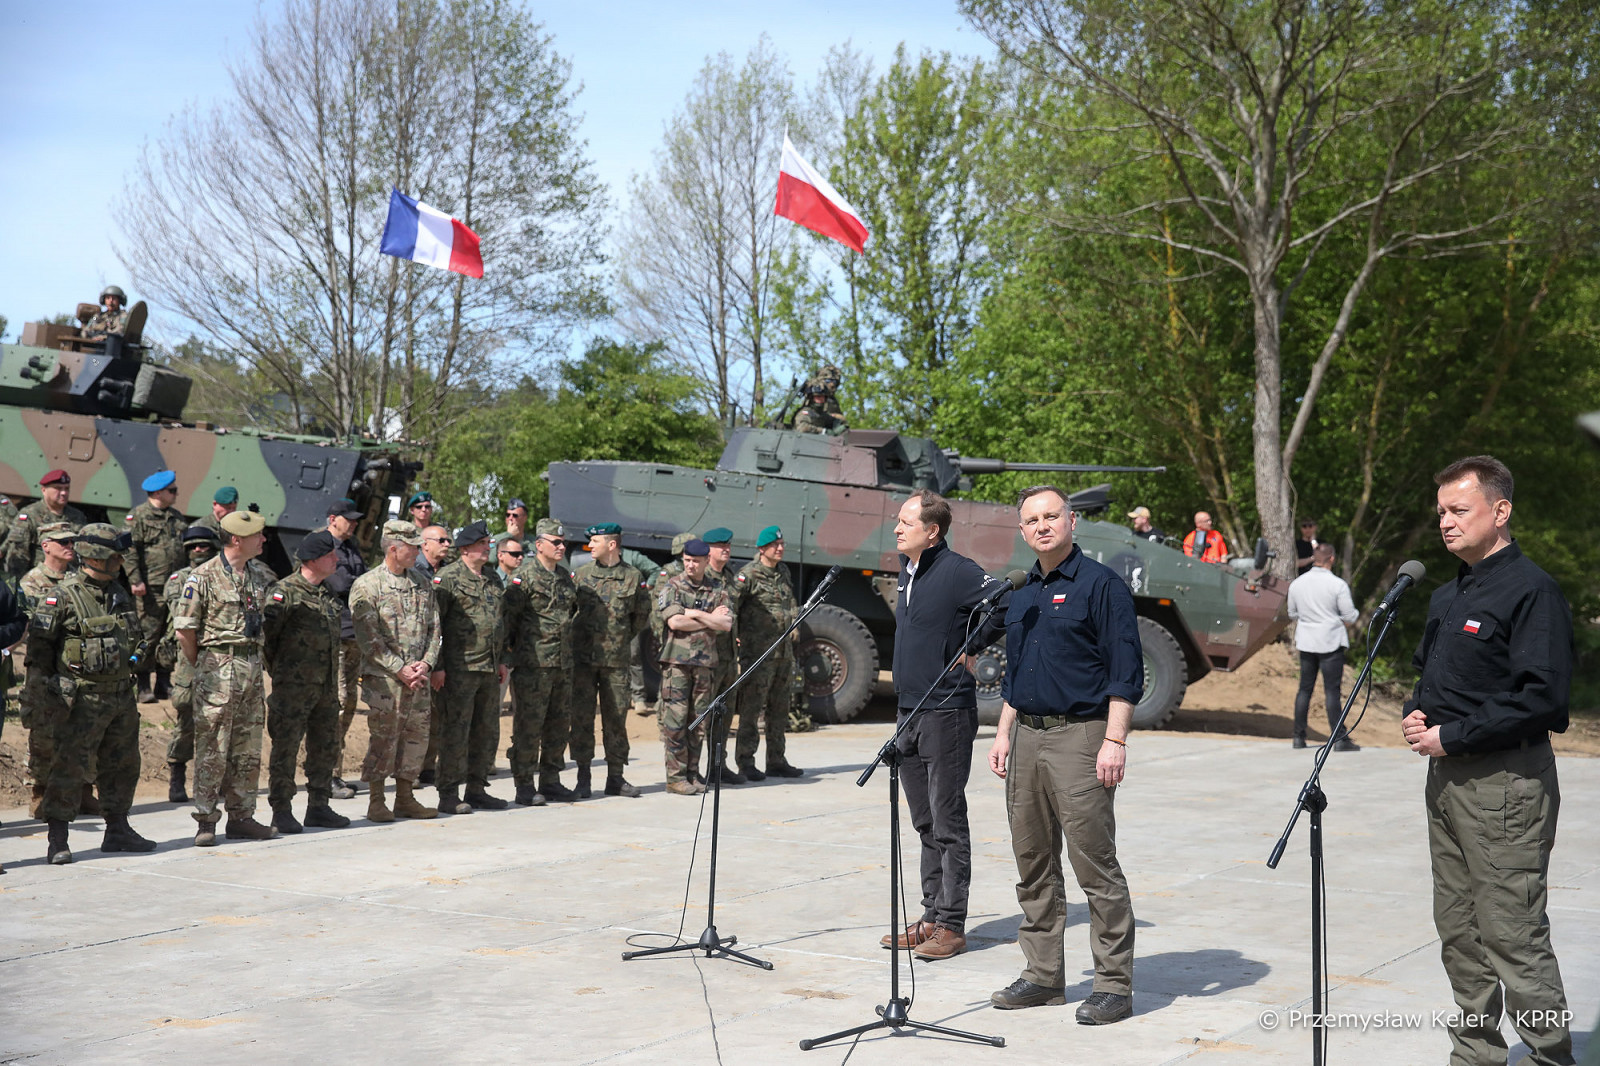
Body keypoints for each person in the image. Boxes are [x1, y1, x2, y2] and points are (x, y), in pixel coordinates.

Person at [1400, 456, 1576, 1066]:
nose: (1446, 523)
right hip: (1447, 781)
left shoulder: (1531, 590)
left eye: (1459, 510)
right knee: (1460, 932)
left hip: (1506, 783)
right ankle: (1475, 1054)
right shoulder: (1448, 594)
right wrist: (1416, 713)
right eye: (1441, 512)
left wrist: (1453, 735)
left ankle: (1551, 1054)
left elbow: (1542, 698)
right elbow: (1433, 681)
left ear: (1500, 511)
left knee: (1512, 934)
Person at [986, 485, 1140, 1021]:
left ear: (1072, 521)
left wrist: (1114, 741)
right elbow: (1017, 673)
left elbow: (1125, 672)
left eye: (1052, 516)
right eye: (1032, 520)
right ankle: (1042, 976)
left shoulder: (1101, 585)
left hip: (1082, 736)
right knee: (1032, 863)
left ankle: (1113, 985)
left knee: (1093, 863)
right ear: (1022, 531)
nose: (1042, 526)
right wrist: (1003, 732)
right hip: (1026, 737)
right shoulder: (1022, 590)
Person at [884, 489, 1003, 961]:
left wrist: (971, 646)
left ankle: (951, 926)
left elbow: (1004, 603)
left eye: (906, 522)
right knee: (924, 822)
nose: (897, 528)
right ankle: (930, 917)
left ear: (932, 532)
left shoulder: (957, 571)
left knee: (947, 821)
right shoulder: (907, 570)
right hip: (909, 711)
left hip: (947, 712)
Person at [33, 524, 156, 865]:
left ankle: (117, 829)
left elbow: (134, 636)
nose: (120, 561)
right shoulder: (62, 597)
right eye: (115, 555)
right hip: (80, 700)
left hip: (120, 696)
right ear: (96, 556)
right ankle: (58, 838)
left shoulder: (118, 593)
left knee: (122, 765)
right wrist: (48, 697)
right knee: (68, 768)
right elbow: (39, 653)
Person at [176, 510, 280, 845]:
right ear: (236, 539)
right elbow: (185, 630)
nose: (263, 539)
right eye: (257, 535)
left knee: (248, 747)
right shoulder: (202, 577)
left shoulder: (259, 575)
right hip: (218, 667)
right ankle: (206, 821)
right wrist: (206, 665)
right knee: (213, 746)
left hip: (251, 666)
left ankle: (242, 817)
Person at [350, 520, 442, 822]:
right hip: (385, 681)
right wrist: (400, 669)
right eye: (412, 547)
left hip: (418, 679)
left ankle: (405, 798)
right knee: (384, 739)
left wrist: (426, 663)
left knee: (416, 739)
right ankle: (377, 801)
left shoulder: (422, 583)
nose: (418, 552)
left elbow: (435, 629)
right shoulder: (368, 585)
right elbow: (368, 639)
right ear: (393, 549)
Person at [262, 531, 352, 834]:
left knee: (324, 747)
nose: (336, 559)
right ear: (312, 560)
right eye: (330, 555)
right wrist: (284, 675)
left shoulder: (327, 593)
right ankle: (281, 810)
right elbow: (268, 641)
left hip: (325, 687)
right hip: (293, 689)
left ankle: (318, 806)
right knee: (285, 749)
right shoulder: (284, 592)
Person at [503, 519, 584, 805]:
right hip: (533, 665)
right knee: (529, 727)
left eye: (564, 542)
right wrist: (511, 657)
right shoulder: (523, 577)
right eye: (556, 542)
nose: (562, 547)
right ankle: (524, 784)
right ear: (539, 545)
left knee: (558, 726)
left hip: (562, 665)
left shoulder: (565, 577)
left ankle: (550, 781)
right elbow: (508, 621)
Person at [431, 520, 509, 813]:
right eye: (481, 544)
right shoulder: (448, 578)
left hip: (488, 667)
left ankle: (477, 789)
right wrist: (437, 666)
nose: (487, 548)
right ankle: (448, 793)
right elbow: (434, 626)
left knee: (485, 732)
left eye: (488, 544)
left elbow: (499, 622)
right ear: (465, 549)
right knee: (455, 732)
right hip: (459, 669)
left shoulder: (492, 578)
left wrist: (502, 660)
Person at [570, 523, 649, 798]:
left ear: (612, 544)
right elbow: (570, 612)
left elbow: (640, 616)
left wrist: (618, 639)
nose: (590, 545)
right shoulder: (580, 575)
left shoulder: (633, 577)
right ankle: (583, 778)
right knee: (581, 719)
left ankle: (615, 777)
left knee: (616, 720)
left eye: (595, 541)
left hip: (616, 663)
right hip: (583, 661)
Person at [656, 539, 732, 795]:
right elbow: (675, 622)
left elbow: (726, 624)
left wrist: (694, 613)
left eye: (695, 561)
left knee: (699, 722)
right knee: (676, 721)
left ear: (705, 561)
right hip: (677, 664)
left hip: (705, 664)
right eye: (687, 560)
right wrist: (709, 619)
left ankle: (692, 773)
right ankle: (675, 778)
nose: (690, 565)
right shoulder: (673, 586)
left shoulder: (717, 589)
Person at [731, 525, 803, 780]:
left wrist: (794, 621)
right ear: (762, 549)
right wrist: (736, 636)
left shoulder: (783, 571)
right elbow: (732, 607)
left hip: (783, 654)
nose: (780, 548)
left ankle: (776, 760)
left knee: (780, 708)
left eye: (782, 544)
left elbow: (789, 601)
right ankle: (745, 761)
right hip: (758, 654)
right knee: (752, 708)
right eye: (775, 545)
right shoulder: (748, 575)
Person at [18, 524, 78, 818]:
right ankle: (39, 791)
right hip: (44, 665)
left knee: (82, 727)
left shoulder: (79, 578)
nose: (69, 546)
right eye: (63, 541)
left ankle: (82, 790)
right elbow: (34, 622)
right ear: (46, 545)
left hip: (75, 666)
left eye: (72, 541)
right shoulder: (32, 581)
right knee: (42, 730)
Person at [159, 525, 219, 803]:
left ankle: (214, 780)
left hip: (218, 655)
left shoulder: (224, 576)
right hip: (189, 654)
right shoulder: (179, 579)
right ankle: (177, 775)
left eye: (203, 546)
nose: (198, 550)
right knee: (186, 716)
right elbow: (183, 617)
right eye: (193, 546)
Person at [1286, 543, 1359, 751]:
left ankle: (1298, 737)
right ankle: (1339, 739)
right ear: (1332, 559)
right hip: (1330, 641)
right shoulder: (1337, 585)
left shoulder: (1297, 583)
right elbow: (1350, 615)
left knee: (1304, 689)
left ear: (1314, 558)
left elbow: (1292, 613)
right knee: (1332, 691)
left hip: (1307, 641)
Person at [126, 470, 187, 703]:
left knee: (170, 635)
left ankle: (164, 682)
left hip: (174, 587)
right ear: (158, 493)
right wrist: (135, 580)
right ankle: (142, 685)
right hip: (150, 588)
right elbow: (129, 550)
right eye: (172, 491)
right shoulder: (139, 516)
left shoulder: (176, 517)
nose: (176, 494)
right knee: (147, 635)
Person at [324, 497, 367, 798]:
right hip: (335, 635)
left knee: (349, 703)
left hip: (355, 634)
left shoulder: (351, 547)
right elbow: (339, 585)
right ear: (332, 519)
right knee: (337, 704)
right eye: (347, 519)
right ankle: (327, 774)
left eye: (354, 519)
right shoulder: (323, 545)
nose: (353, 524)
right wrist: (361, 584)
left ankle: (333, 773)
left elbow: (359, 581)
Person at [699, 527, 744, 784]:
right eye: (720, 546)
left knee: (724, 715)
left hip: (728, 658)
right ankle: (695, 769)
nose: (726, 550)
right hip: (706, 658)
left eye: (727, 546)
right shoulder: (701, 577)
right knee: (703, 716)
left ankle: (718, 765)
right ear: (708, 549)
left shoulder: (729, 578)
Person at [5, 470, 87, 578]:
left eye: (66, 489)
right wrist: (18, 582)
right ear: (44, 490)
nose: (64, 493)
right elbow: (18, 553)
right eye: (58, 488)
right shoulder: (30, 515)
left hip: (71, 578)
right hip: (39, 580)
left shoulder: (77, 516)